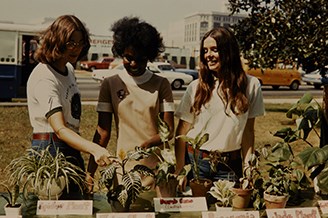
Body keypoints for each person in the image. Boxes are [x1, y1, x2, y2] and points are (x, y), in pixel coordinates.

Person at [26, 15, 112, 199]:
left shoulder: (69, 69)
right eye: (71, 42)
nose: (76, 48)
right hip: (50, 148)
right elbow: (59, 129)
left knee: (77, 204)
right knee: (55, 207)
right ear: (57, 40)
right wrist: (94, 149)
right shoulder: (44, 76)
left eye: (80, 43)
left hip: (71, 146)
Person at [86, 16, 175, 193]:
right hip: (124, 169)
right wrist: (89, 173)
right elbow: (103, 132)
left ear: (149, 56)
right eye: (128, 57)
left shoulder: (161, 84)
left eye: (141, 59)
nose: (133, 64)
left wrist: (147, 145)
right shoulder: (110, 84)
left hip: (157, 169)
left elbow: (169, 131)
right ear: (120, 53)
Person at [174, 27, 265, 185]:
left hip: (229, 165)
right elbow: (182, 131)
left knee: (228, 209)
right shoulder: (196, 87)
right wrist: (180, 169)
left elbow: (248, 132)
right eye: (205, 51)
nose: (208, 55)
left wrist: (247, 168)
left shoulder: (251, 85)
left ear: (228, 51)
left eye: (214, 50)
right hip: (197, 163)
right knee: (196, 209)